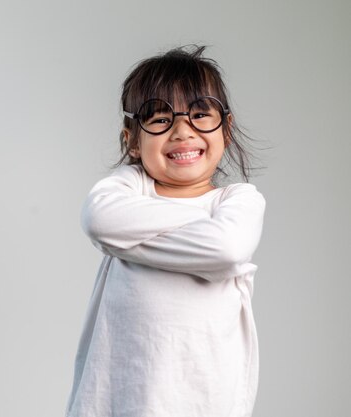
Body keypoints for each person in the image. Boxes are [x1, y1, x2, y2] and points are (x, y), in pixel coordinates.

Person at [64, 45, 267, 417]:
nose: (182, 131)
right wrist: (202, 228)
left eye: (199, 114)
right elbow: (99, 220)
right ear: (131, 139)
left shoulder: (239, 200)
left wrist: (128, 241)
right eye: (159, 119)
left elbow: (227, 248)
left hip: (205, 401)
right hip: (114, 401)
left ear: (227, 127)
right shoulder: (127, 186)